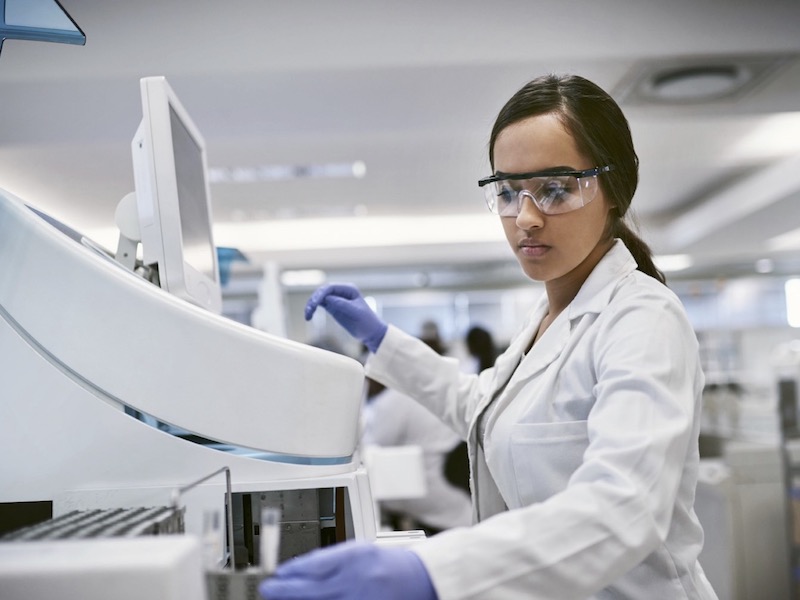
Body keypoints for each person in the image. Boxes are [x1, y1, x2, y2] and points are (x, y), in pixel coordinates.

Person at [259, 74, 717, 599]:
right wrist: (384, 340)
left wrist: (434, 572)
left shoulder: (643, 319)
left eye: (555, 189)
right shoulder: (543, 319)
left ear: (614, 189)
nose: (525, 218)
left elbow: (625, 507)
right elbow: (481, 407)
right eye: (507, 191)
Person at [362, 375, 472, 536]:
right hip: (450, 490)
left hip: (428, 487)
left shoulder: (393, 400)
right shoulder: (416, 390)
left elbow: (374, 446)